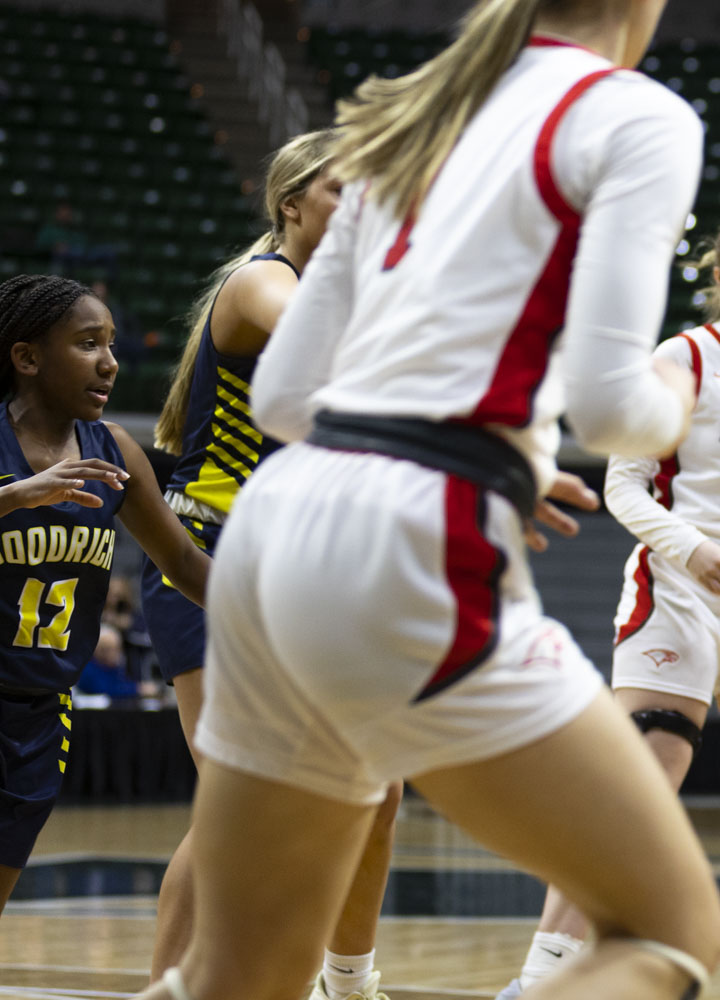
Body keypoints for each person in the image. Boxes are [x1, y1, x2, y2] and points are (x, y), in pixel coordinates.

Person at [130, 3, 720, 1000]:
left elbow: (280, 400)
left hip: (274, 531)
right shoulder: (635, 116)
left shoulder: (411, 122)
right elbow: (616, 404)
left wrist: (478, 446)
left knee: (234, 977)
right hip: (411, 537)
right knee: (666, 932)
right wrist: (682, 393)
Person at [500, 209, 720, 1000]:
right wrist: (689, 543)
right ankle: (536, 980)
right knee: (635, 793)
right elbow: (622, 483)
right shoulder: (684, 356)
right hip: (683, 585)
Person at [141, 129, 407, 1000]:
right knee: (240, 800)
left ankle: (349, 980)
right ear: (291, 204)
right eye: (343, 193)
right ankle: (167, 987)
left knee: (379, 786)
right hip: (210, 557)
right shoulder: (265, 283)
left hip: (300, 569)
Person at [0, 274, 211, 914]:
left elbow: (178, 557)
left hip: (39, 714)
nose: (110, 362)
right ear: (28, 356)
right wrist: (18, 496)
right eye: (88, 343)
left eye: (112, 344)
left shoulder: (114, 449)